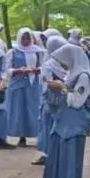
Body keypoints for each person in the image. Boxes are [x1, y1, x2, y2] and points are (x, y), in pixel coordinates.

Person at [25, 45, 90, 178]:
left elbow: (77, 102)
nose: (62, 65)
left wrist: (61, 88)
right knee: (55, 158)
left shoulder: (84, 76)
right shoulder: (73, 72)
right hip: (62, 121)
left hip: (75, 125)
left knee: (69, 161)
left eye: (63, 61)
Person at [3, 28, 44, 147]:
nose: (26, 41)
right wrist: (18, 70)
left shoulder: (38, 51)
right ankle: (20, 135)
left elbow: (43, 67)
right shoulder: (13, 51)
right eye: (23, 38)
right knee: (19, 110)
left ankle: (33, 133)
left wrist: (35, 70)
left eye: (28, 38)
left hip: (33, 84)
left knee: (33, 109)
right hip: (17, 84)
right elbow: (7, 69)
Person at [34, 35, 69, 167]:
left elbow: (48, 83)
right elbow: (48, 82)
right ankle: (52, 154)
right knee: (52, 126)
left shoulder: (57, 64)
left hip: (58, 100)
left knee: (55, 126)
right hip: (57, 100)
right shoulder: (55, 64)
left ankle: (54, 153)